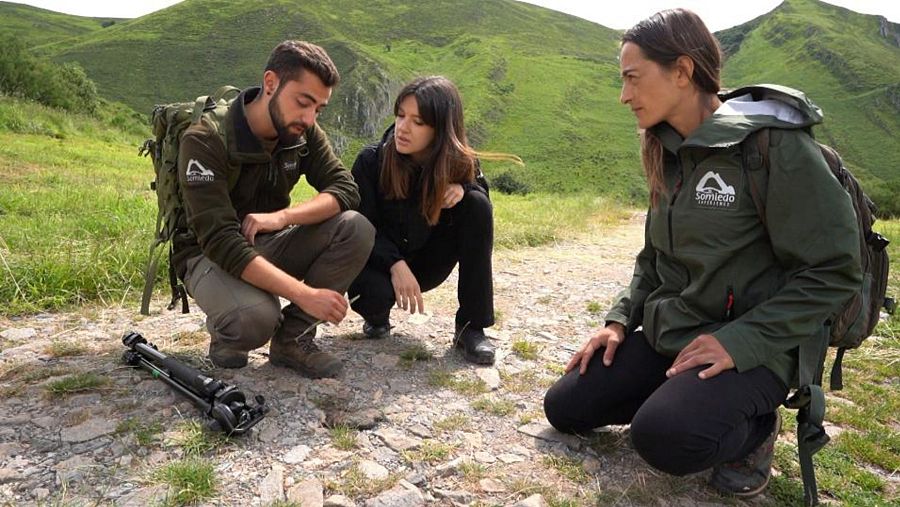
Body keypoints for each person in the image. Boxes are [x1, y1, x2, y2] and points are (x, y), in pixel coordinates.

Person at [543, 9, 861, 499]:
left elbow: (834, 271)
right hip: (678, 332)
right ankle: (684, 399)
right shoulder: (667, 149)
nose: (624, 95)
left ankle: (755, 432)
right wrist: (618, 321)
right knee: (565, 407)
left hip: (758, 348)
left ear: (682, 71)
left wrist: (740, 342)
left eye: (632, 78)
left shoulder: (772, 146)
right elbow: (652, 258)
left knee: (664, 438)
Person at [175, 40, 375, 379]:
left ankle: (293, 340)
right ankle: (228, 329)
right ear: (271, 83)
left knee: (356, 228)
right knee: (254, 319)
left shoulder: (302, 130)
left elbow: (345, 190)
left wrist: (284, 217)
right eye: (303, 102)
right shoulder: (206, 139)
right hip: (205, 254)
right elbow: (222, 241)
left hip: (266, 240)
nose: (310, 118)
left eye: (319, 109)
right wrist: (304, 294)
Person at [348, 76, 518, 365]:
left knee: (476, 205)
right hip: (381, 265)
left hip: (428, 260)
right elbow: (361, 224)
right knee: (371, 297)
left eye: (418, 121)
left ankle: (471, 328)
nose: (403, 128)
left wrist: (464, 189)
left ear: (440, 128)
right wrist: (394, 264)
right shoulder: (371, 161)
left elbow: (481, 205)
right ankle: (378, 317)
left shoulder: (461, 161)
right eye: (401, 115)